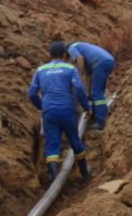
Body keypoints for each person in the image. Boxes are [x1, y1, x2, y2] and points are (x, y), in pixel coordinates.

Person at [27, 41, 92, 184]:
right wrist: (86, 107)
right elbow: (79, 89)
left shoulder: (40, 70)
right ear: (64, 54)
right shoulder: (70, 68)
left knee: (52, 144)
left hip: (49, 111)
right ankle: (84, 173)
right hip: (67, 110)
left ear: (49, 54)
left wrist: (41, 105)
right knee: (75, 140)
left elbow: (31, 93)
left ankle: (52, 177)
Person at [67, 40, 115, 131]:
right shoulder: (85, 50)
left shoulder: (71, 47)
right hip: (108, 61)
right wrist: (89, 93)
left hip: (100, 63)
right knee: (97, 92)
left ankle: (100, 122)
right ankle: (96, 115)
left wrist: (77, 77)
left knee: (96, 93)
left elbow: (79, 58)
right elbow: (91, 78)